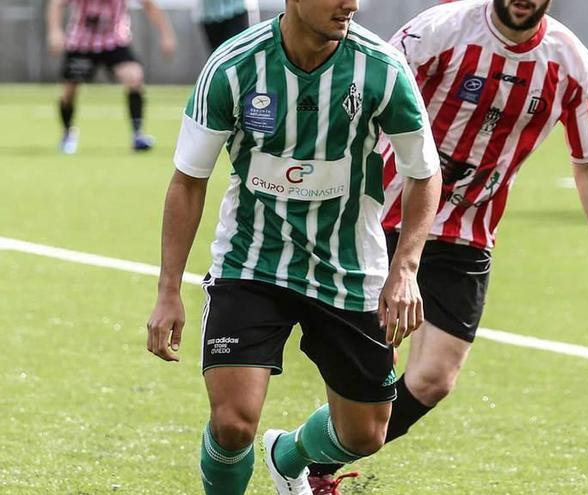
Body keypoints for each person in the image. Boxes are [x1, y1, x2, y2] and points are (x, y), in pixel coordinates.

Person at [307, 0, 588, 492]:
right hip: (390, 217)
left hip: (468, 232)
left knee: (434, 378)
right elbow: (366, 96)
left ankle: (311, 462)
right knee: (370, 374)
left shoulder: (569, 61)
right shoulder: (439, 31)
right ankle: (304, 461)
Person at [144, 0, 442, 493]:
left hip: (348, 268)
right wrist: (168, 289)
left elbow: (423, 173)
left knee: (365, 434)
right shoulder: (233, 66)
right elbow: (188, 181)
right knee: (233, 424)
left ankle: (291, 455)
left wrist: (405, 268)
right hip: (252, 261)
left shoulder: (382, 70)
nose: (351, 4)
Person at [46, 0, 176, 154]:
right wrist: (54, 31)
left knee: (134, 77)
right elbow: (57, 3)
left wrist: (166, 34)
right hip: (81, 43)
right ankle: (67, 133)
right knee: (69, 92)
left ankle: (138, 135)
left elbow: (149, 5)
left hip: (114, 41)